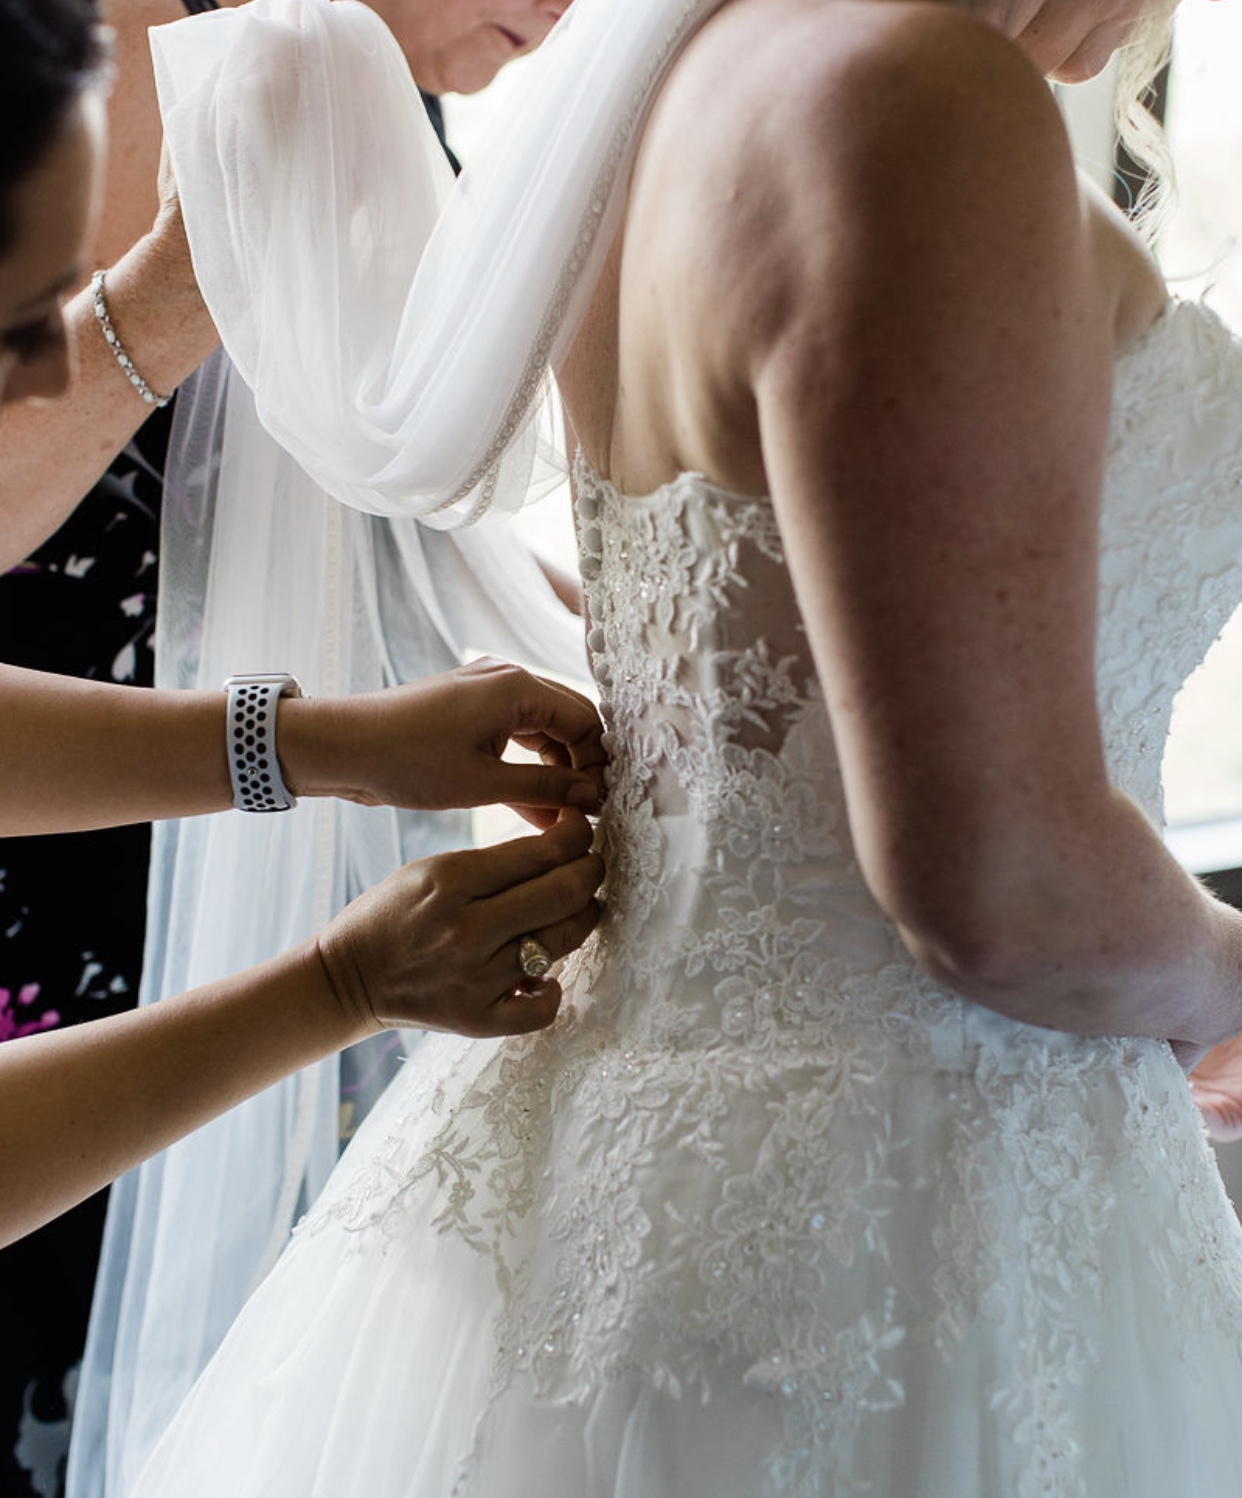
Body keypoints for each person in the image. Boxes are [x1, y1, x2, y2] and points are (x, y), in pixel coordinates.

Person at [127, 0, 1242, 1490]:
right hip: (903, 1217)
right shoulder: (914, 96)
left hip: (632, 1156)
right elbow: (997, 884)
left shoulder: (658, 86)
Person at [0, 4, 604, 1491]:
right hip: (66, 936)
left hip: (309, 900)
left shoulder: (378, 110)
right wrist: (173, 294)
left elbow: (403, 551)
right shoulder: (55, 69)